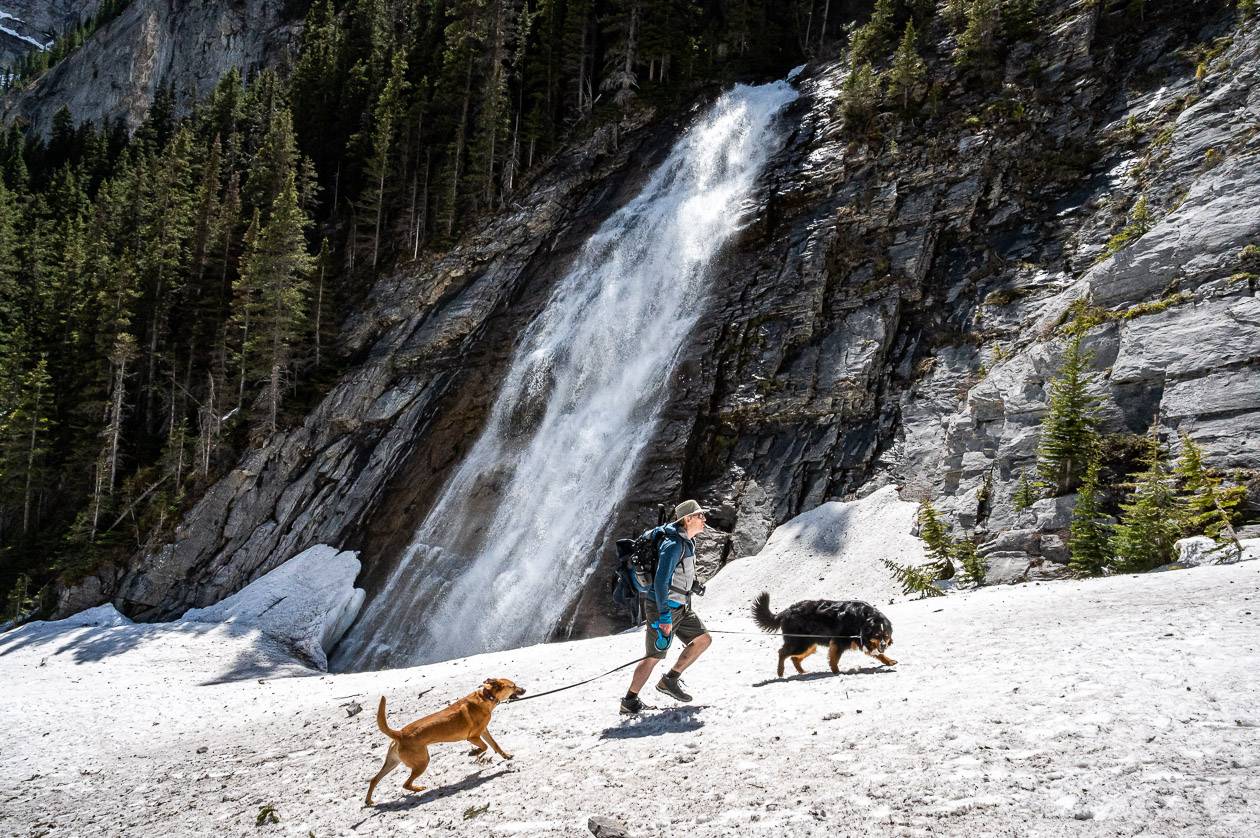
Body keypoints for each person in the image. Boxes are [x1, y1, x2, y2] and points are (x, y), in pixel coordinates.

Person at [620, 499, 712, 714]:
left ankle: (670, 680)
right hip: (664, 608)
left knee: (703, 640)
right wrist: (664, 617)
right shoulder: (673, 545)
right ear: (687, 519)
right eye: (700, 516)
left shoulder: (687, 541)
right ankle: (629, 701)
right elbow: (661, 581)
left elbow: (680, 572)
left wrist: (694, 585)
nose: (704, 519)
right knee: (654, 655)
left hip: (681, 605)